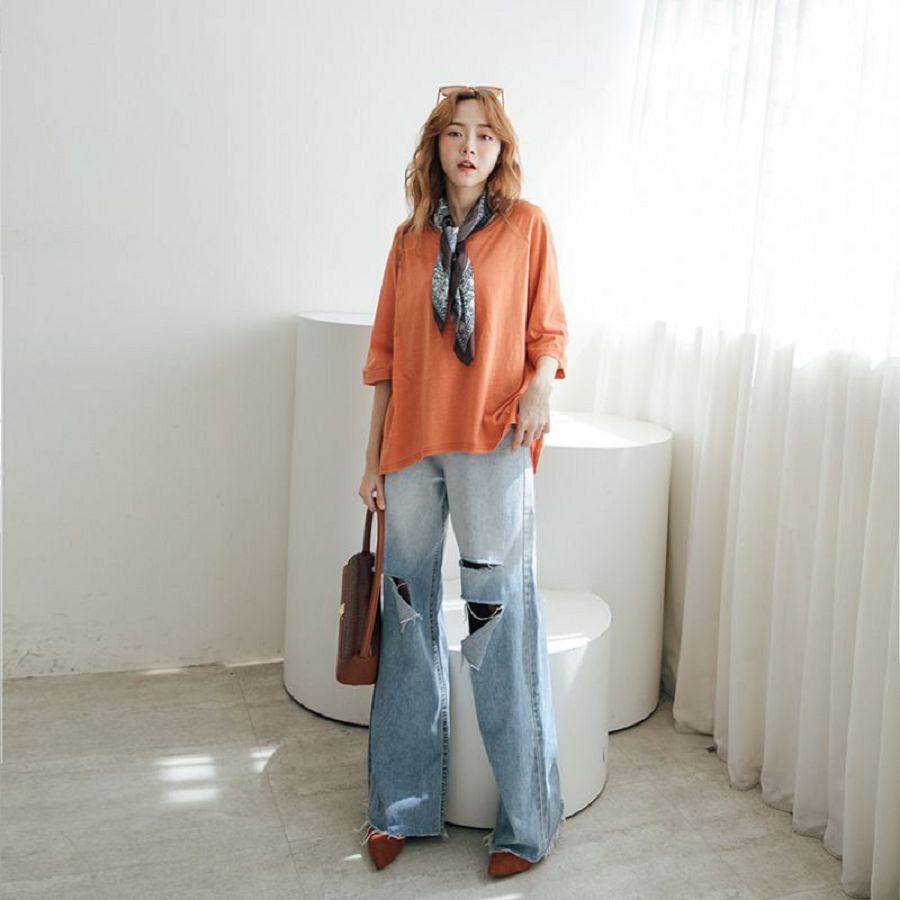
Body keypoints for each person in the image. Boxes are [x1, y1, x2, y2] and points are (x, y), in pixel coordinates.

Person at [355, 85, 568, 879]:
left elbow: (549, 329)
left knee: (497, 620)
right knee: (407, 618)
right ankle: (399, 805)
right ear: (435, 146)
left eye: (483, 135)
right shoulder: (408, 240)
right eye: (454, 133)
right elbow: (385, 358)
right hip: (411, 449)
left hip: (493, 441)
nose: (468, 147)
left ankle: (527, 820)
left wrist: (541, 385)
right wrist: (371, 459)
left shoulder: (526, 226)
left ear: (500, 148)